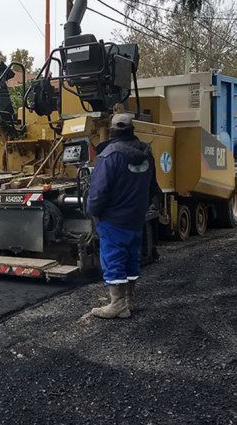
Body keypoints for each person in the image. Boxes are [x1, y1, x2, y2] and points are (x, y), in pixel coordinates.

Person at [86, 113, 161, 319]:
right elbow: (152, 186)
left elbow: (98, 191)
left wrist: (93, 211)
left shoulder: (110, 156)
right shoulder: (146, 153)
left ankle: (117, 304)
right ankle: (129, 300)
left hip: (113, 218)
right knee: (131, 257)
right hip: (135, 218)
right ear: (131, 130)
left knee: (113, 257)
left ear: (111, 131)